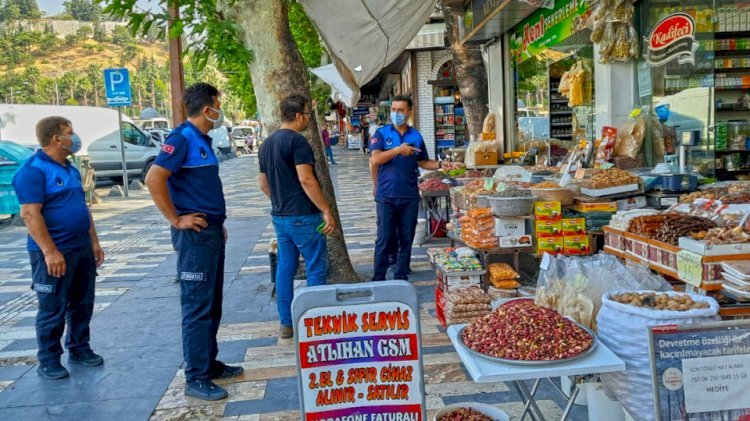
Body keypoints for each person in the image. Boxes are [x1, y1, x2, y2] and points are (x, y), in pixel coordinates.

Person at [145, 83, 243, 401]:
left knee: (212, 303)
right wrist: (176, 219)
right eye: (218, 104)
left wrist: (216, 223)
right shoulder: (182, 138)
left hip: (210, 232)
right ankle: (196, 376)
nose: (219, 110)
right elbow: (154, 178)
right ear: (207, 109)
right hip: (194, 238)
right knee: (197, 307)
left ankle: (209, 363)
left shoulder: (202, 140)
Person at [12, 117, 106, 380]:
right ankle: (49, 359)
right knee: (52, 307)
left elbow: (82, 208)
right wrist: (50, 251)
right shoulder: (33, 171)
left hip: (80, 248)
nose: (74, 138)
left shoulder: (70, 168)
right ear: (56, 138)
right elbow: (31, 215)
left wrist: (94, 242)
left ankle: (79, 348)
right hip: (53, 252)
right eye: (70, 133)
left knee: (82, 303)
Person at [258, 94, 335, 339]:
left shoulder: (266, 144)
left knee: (285, 268)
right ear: (299, 116)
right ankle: (315, 322)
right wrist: (325, 209)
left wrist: (281, 201)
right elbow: (306, 179)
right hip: (304, 216)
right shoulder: (298, 143)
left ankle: (287, 324)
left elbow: (263, 185)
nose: (308, 120)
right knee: (316, 268)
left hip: (280, 217)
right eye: (308, 114)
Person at [370, 95, 458, 281]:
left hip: (409, 194)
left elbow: (424, 161)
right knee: (385, 238)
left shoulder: (415, 136)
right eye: (393, 109)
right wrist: (398, 150)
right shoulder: (381, 133)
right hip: (386, 194)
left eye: (401, 110)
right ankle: (378, 278)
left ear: (409, 112)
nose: (396, 113)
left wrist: (443, 165)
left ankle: (401, 277)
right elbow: (375, 159)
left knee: (406, 238)